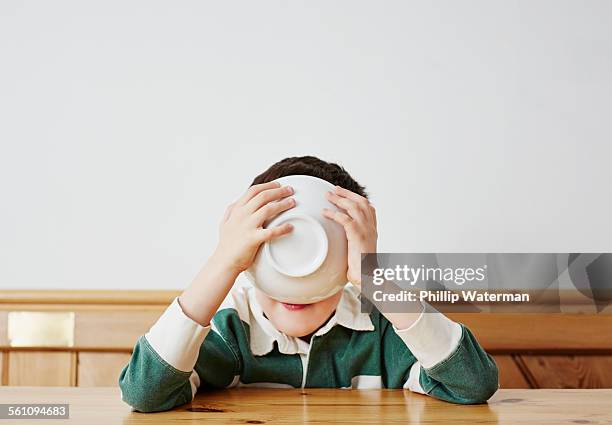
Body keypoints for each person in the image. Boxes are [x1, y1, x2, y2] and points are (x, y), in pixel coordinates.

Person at [119, 156, 498, 412]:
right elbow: (143, 392)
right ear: (247, 262)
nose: (297, 276)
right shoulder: (231, 330)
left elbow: (472, 384)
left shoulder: (383, 331)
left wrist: (374, 278)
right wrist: (222, 261)